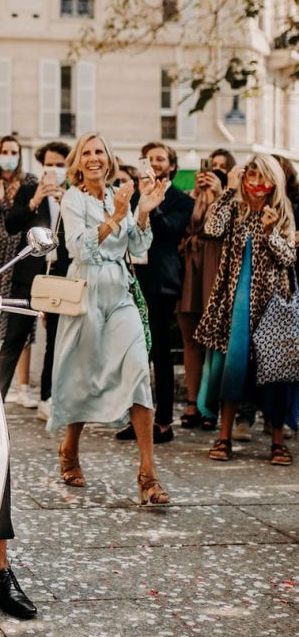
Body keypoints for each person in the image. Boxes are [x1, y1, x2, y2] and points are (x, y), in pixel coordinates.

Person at [50, 132, 171, 505]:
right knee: (82, 374)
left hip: (120, 293)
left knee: (138, 373)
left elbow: (137, 246)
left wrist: (143, 211)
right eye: (86, 153)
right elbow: (77, 247)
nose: (93, 158)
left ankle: (148, 474)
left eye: (99, 151)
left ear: (109, 158)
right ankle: (70, 449)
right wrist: (118, 216)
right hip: (85, 291)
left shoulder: (116, 193)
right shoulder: (72, 198)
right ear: (78, 162)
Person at [196, 154, 297, 465]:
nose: (255, 185)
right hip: (234, 305)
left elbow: (288, 259)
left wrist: (270, 234)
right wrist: (228, 190)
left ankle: (277, 442)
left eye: (261, 178)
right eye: (250, 177)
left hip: (272, 308)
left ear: (273, 182)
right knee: (232, 368)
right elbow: (211, 228)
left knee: (276, 374)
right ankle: (223, 437)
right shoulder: (235, 208)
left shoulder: (281, 212)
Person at [117, 142, 193, 446]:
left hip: (161, 282)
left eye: (160, 159)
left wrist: (153, 202)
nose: (154, 163)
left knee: (159, 352)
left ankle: (163, 420)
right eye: (149, 159)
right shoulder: (132, 193)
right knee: (133, 353)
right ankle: (134, 418)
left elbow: (170, 232)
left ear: (171, 165)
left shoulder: (180, 200)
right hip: (131, 277)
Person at [4, 141, 71, 419]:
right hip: (28, 274)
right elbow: (11, 224)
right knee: (14, 338)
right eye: (49, 164)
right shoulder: (29, 189)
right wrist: (35, 201)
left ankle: (48, 397)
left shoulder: (73, 194)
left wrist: (64, 201)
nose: (54, 170)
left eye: (59, 164)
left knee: (56, 338)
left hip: (60, 274)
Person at [176, 161, 227, 431]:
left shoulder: (229, 201)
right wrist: (196, 195)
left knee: (217, 343)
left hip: (216, 271)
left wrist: (219, 195)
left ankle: (212, 405)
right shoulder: (188, 200)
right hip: (190, 273)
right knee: (191, 341)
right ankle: (193, 402)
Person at [0, 136, 30, 393]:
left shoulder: (28, 182)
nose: (10, 155)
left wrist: (8, 201)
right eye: (5, 151)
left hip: (19, 251)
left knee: (19, 319)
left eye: (14, 151)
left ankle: (21, 386)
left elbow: (25, 216)